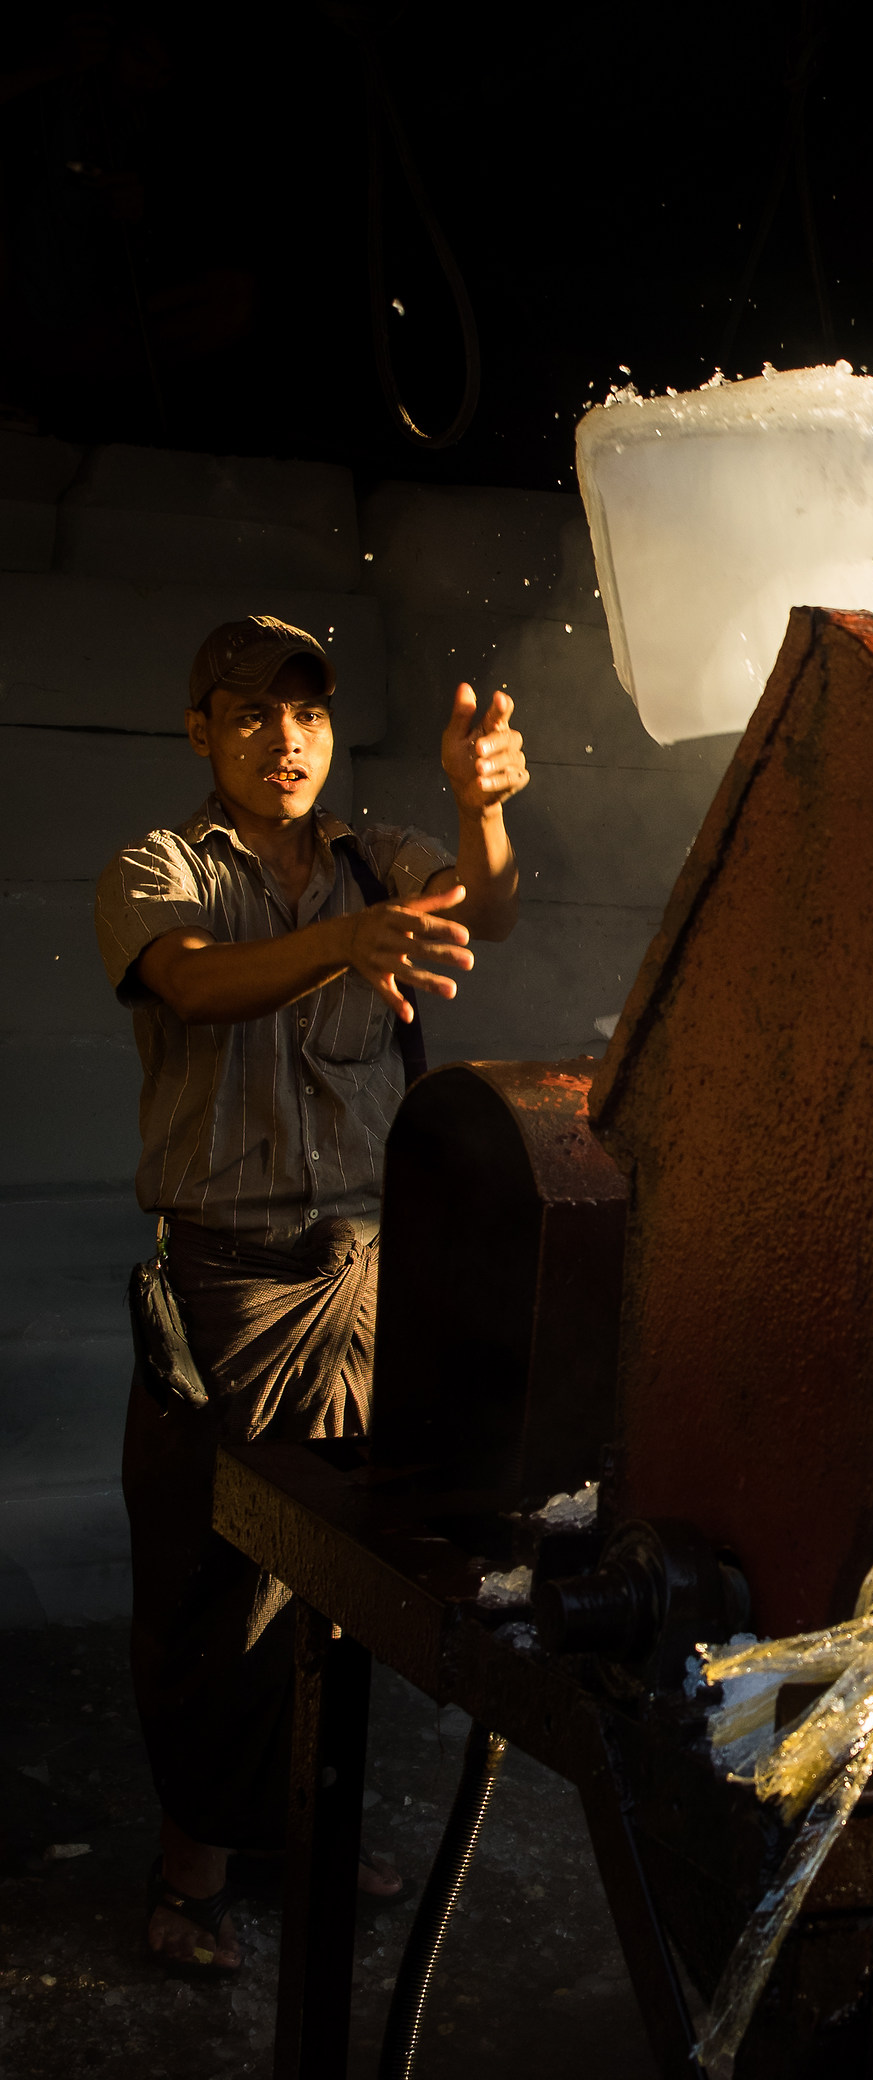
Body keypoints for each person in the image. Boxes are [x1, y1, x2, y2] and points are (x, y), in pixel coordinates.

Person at [93, 614, 528, 1973]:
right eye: (252, 715)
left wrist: (480, 807)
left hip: (363, 1274)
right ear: (201, 729)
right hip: (227, 1286)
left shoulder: (375, 858)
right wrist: (341, 946)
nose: (286, 741)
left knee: (342, 1582)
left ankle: (306, 1829)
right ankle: (194, 1865)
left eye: (309, 717)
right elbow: (197, 984)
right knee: (209, 1581)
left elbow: (484, 908)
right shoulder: (159, 868)